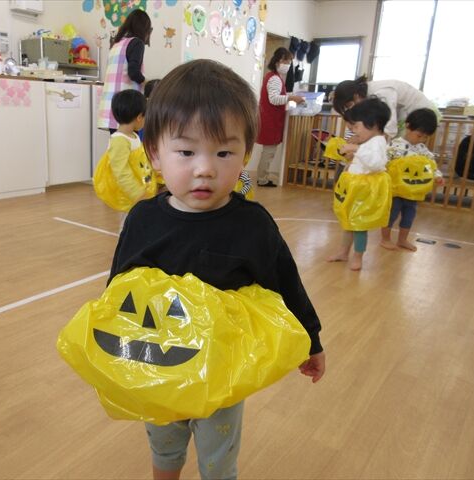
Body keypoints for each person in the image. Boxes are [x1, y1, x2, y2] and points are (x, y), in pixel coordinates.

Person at [110, 59, 325, 480]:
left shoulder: (253, 225)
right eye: (186, 152)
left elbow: (286, 284)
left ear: (246, 154)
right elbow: (119, 288)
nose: (205, 167)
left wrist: (311, 341)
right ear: (155, 154)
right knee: (163, 446)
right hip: (160, 363)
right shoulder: (142, 220)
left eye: (224, 152)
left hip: (222, 371)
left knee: (218, 460)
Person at [328, 97, 392, 271]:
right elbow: (363, 160)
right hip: (356, 187)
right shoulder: (369, 141)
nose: (354, 130)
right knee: (348, 222)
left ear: (374, 124)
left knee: (359, 225)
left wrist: (356, 149)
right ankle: (343, 252)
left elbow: (376, 163)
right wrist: (352, 154)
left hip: (365, 191)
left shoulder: (378, 142)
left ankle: (358, 257)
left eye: (357, 126)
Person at [381, 108, 442, 251]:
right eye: (419, 135)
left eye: (425, 137)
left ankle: (402, 240)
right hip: (396, 191)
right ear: (408, 126)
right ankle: (385, 239)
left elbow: (431, 165)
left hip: (413, 192)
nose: (421, 140)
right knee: (391, 215)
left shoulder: (422, 150)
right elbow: (383, 162)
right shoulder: (393, 146)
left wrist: (437, 175)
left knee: (409, 216)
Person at [93, 89, 154, 217]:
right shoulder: (119, 140)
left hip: (140, 190)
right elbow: (120, 171)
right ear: (139, 117)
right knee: (129, 222)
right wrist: (136, 193)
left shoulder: (133, 136)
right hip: (129, 195)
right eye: (145, 116)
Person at [255, 47, 305, 187]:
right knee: (269, 152)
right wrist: (291, 98)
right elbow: (274, 99)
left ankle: (262, 176)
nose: (287, 64)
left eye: (289, 62)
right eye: (285, 61)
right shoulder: (275, 79)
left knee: (268, 151)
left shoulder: (272, 76)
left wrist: (289, 96)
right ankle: (262, 179)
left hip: (269, 118)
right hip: (270, 120)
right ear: (277, 61)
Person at [97, 9, 153, 133]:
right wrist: (147, 83)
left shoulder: (116, 44)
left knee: (117, 142)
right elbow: (133, 72)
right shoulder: (137, 43)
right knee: (129, 143)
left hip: (112, 107)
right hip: (128, 108)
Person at [332, 75, 439, 139]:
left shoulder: (382, 93)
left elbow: (389, 125)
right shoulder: (370, 94)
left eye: (349, 105)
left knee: (403, 148)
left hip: (421, 114)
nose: (352, 108)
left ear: (356, 96)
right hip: (405, 114)